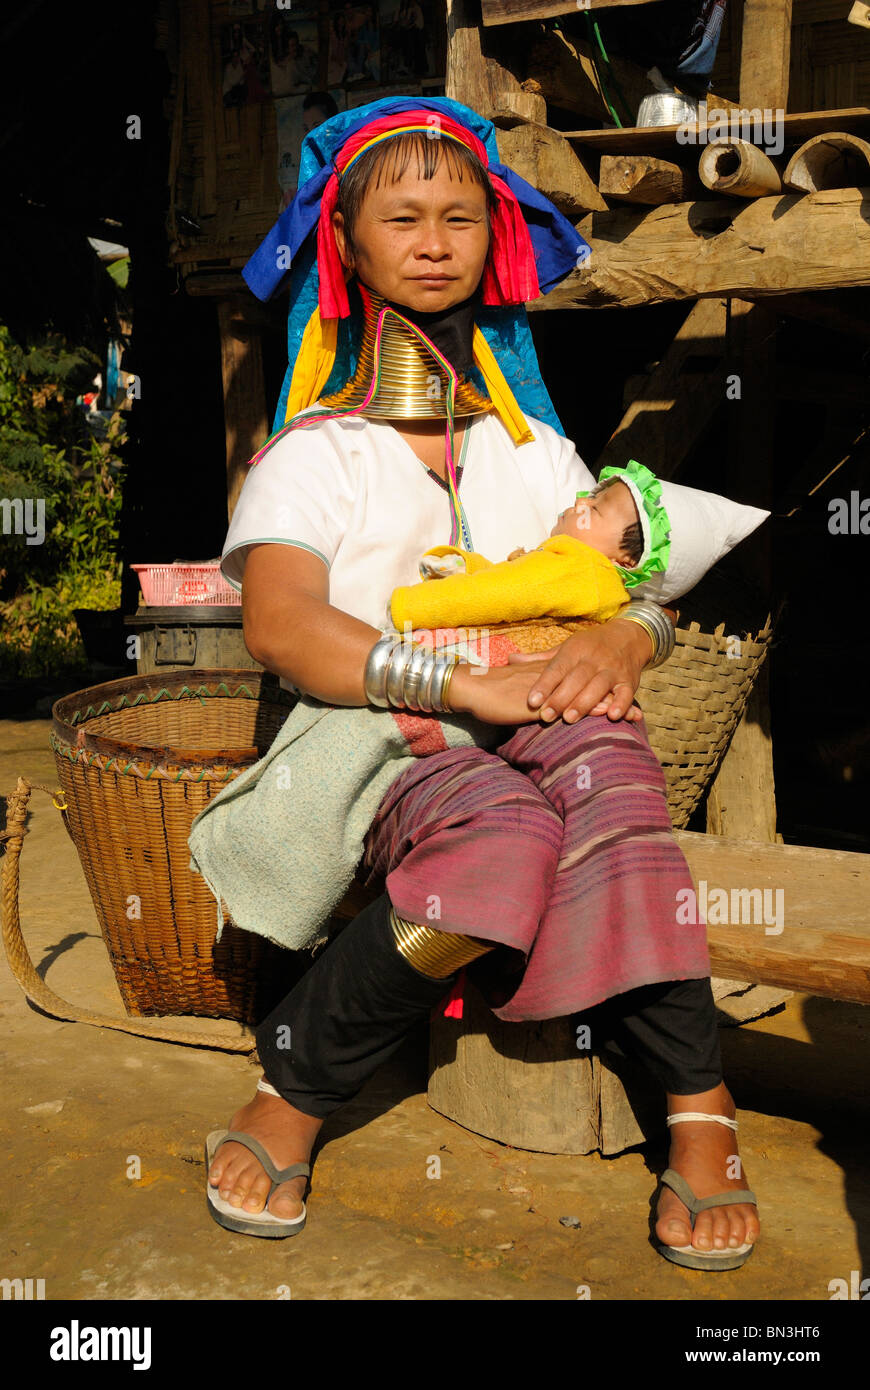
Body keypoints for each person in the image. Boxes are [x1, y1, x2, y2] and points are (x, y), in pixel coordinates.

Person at [201, 96, 760, 1271]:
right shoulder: (317, 454)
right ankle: (297, 1080)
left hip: (558, 706)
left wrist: (634, 641)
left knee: (616, 773)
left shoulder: (533, 449)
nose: (437, 240)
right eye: (402, 217)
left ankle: (699, 1107)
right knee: (502, 838)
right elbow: (283, 627)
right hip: (390, 733)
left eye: (462, 216)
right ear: (345, 244)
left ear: (495, 239)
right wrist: (462, 689)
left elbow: (613, 570)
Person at [389, 457, 768, 632]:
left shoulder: (578, 570)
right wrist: (464, 567)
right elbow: (511, 585)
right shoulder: (583, 576)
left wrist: (413, 607)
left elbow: (497, 596)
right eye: (591, 496)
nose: (580, 501)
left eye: (596, 508)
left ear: (626, 558)